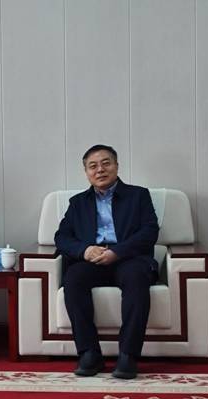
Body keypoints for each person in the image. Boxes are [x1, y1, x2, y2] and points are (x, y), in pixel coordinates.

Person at [54, 144, 159, 379]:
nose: (100, 170)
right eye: (93, 166)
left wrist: (118, 252)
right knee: (73, 278)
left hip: (129, 258)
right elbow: (61, 237)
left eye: (105, 163)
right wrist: (85, 250)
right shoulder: (77, 202)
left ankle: (128, 355)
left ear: (116, 166)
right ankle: (89, 353)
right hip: (92, 261)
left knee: (136, 278)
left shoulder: (138, 195)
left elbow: (149, 231)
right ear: (86, 173)